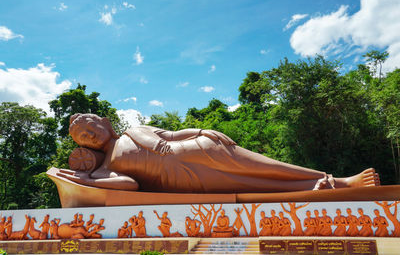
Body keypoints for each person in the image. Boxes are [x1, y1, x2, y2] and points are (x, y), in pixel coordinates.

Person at [57, 113, 380, 193]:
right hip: (183, 179)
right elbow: (129, 185)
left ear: (105, 123)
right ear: (83, 145)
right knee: (255, 187)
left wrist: (201, 131)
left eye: (91, 127)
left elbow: (170, 135)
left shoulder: (133, 131)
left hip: (197, 149)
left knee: (263, 167)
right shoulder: (105, 167)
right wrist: (88, 178)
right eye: (82, 137)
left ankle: (335, 179)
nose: (88, 135)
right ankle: (329, 186)